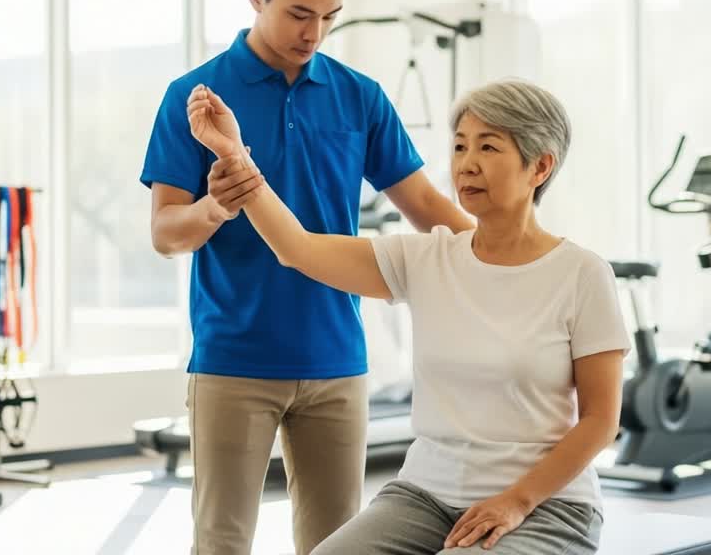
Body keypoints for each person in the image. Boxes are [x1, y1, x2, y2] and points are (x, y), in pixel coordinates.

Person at [141, 0, 473, 555]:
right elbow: (164, 233)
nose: (314, 33)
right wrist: (214, 208)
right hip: (235, 360)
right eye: (299, 14)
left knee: (337, 544)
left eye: (330, 17)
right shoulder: (195, 98)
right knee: (222, 542)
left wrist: (515, 255)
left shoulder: (360, 96)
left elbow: (425, 202)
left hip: (336, 359)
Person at [186, 78, 630, 554]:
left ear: (540, 166)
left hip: (544, 504)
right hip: (426, 496)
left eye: (488, 147)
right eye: (460, 147)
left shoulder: (581, 274)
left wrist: (516, 500)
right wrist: (234, 156)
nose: (467, 164)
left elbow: (601, 421)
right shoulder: (426, 258)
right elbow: (298, 249)